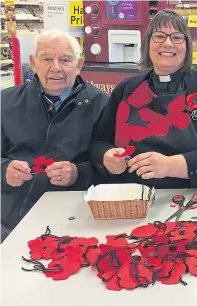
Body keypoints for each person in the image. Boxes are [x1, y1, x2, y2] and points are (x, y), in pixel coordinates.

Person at [91, 10, 197, 189]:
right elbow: (98, 141)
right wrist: (106, 157)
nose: (168, 43)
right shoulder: (126, 89)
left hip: (194, 196)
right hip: (133, 198)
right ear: (148, 44)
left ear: (187, 46)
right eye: (159, 36)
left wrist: (171, 166)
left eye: (177, 37)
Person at [1, 29, 108, 241]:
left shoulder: (102, 105)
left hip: (77, 223)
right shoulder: (5, 103)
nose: (56, 67)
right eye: (47, 59)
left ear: (79, 65)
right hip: (12, 221)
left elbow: (111, 169)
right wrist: (4, 170)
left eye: (65, 59)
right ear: (33, 63)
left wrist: (78, 173)